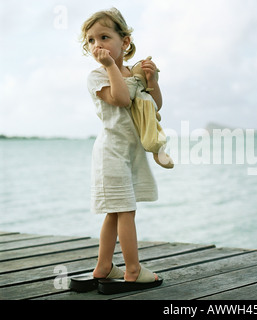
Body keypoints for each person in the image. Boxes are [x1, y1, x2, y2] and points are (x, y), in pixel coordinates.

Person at [70, 7, 163, 294]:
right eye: (91, 41)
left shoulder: (131, 73)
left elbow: (154, 105)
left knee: (114, 212)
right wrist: (111, 67)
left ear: (125, 41)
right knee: (126, 211)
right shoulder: (98, 76)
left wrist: (152, 82)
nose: (97, 45)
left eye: (104, 37)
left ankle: (103, 267)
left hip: (130, 153)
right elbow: (121, 100)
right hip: (111, 153)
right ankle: (132, 271)